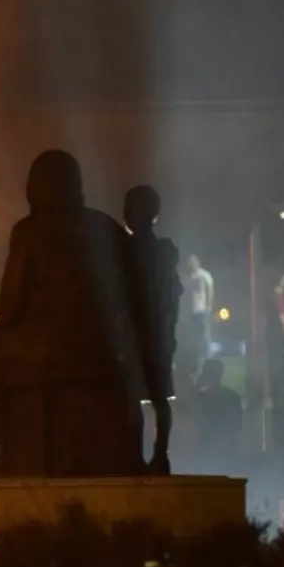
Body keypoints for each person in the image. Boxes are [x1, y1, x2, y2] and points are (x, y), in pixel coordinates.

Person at [123, 184, 182, 474]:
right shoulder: (165, 252)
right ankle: (159, 453)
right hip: (156, 335)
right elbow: (175, 296)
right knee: (157, 399)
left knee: (134, 397)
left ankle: (138, 454)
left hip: (138, 336)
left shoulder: (126, 250)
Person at [191, 358, 242, 472]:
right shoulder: (233, 397)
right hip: (225, 453)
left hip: (207, 451)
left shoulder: (200, 398)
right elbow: (238, 429)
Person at [184, 254, 215, 363]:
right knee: (195, 333)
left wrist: (209, 306)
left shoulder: (205, 275)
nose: (191, 264)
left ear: (198, 262)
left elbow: (210, 290)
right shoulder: (189, 277)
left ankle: (207, 354)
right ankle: (197, 354)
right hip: (193, 310)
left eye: (193, 261)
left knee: (205, 332)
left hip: (203, 309)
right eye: (190, 262)